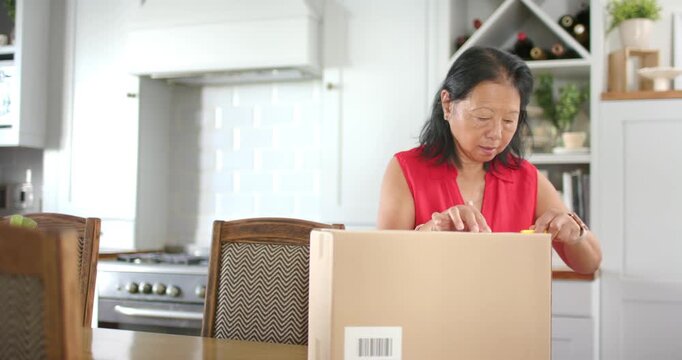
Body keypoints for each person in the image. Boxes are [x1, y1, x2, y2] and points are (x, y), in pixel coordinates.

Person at [377, 46, 601, 274]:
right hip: (428, 309)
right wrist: (432, 231)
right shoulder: (407, 170)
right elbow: (385, 265)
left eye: (508, 121)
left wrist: (576, 234)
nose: (495, 133)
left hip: (508, 309)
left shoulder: (525, 178)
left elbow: (590, 264)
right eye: (483, 117)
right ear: (447, 104)